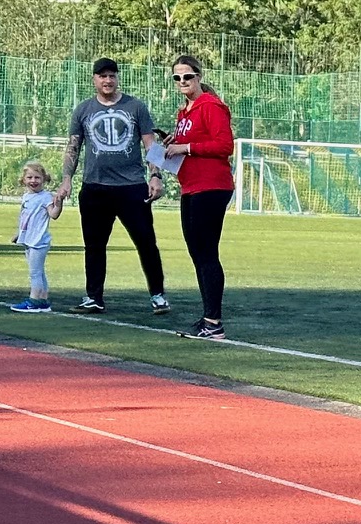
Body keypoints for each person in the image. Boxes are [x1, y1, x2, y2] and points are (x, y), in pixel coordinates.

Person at [51, 57, 169, 316]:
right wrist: (67, 179)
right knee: (94, 246)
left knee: (146, 242)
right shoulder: (83, 110)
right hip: (94, 188)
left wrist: (156, 175)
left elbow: (151, 145)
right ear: (94, 79)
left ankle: (158, 295)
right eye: (102, 76)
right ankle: (94, 297)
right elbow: (73, 146)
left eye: (111, 75)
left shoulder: (135, 106)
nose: (107, 80)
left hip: (131, 187)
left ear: (117, 78)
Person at [163, 55, 235, 340]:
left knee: (206, 253)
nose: (183, 82)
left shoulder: (210, 106)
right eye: (177, 78)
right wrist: (173, 143)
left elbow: (224, 144)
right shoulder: (185, 112)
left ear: (198, 76)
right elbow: (190, 142)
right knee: (198, 254)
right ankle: (208, 318)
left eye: (188, 76)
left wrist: (186, 148)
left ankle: (214, 322)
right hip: (191, 187)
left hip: (211, 186)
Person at [10, 161, 55, 314]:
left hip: (39, 241)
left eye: (37, 177)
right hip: (29, 239)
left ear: (44, 179)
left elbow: (53, 214)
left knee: (34, 272)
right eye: (29, 177)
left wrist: (59, 202)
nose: (33, 181)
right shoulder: (26, 197)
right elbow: (24, 217)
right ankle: (43, 299)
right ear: (24, 179)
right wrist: (19, 233)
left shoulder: (46, 197)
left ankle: (34, 300)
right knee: (39, 271)